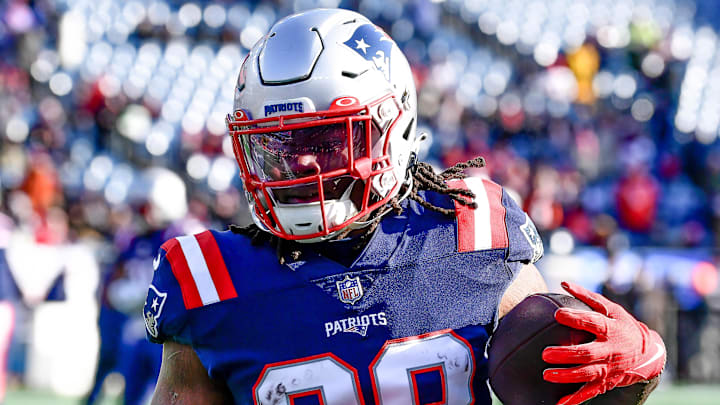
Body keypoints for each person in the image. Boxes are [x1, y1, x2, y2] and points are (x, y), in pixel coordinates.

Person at [144, 9, 666, 405]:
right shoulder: (205, 278)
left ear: (393, 132)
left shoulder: (471, 227)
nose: (304, 165)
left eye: (328, 141)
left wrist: (638, 357)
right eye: (277, 147)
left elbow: (557, 358)